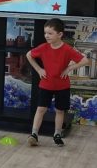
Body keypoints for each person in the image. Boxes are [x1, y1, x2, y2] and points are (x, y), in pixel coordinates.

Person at [26, 18, 89, 147]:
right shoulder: (43, 47)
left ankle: (57, 134)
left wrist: (69, 68)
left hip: (62, 86)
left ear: (60, 34)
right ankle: (34, 134)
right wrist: (39, 69)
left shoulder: (67, 49)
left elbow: (85, 60)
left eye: (50, 33)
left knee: (60, 111)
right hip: (46, 84)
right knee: (41, 109)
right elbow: (29, 55)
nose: (46, 36)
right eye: (45, 33)